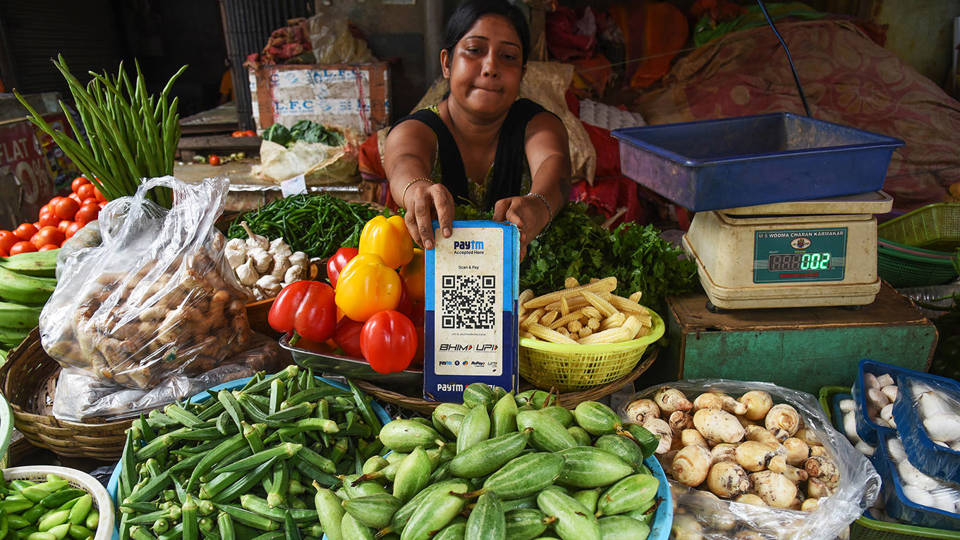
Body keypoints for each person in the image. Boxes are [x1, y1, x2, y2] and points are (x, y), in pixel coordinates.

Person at [384, 0, 570, 259]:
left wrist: (538, 205)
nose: (491, 67)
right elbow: (404, 161)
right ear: (447, 63)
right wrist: (416, 189)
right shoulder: (416, 130)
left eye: (508, 56)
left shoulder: (537, 125)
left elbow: (554, 162)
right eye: (474, 50)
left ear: (522, 73)